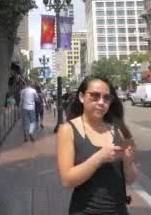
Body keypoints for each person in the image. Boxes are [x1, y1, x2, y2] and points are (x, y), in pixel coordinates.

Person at [57, 76, 136, 215]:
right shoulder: (68, 130)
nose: (101, 102)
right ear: (81, 97)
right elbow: (67, 180)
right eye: (94, 96)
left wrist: (128, 163)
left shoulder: (118, 129)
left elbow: (130, 179)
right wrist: (99, 157)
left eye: (106, 98)